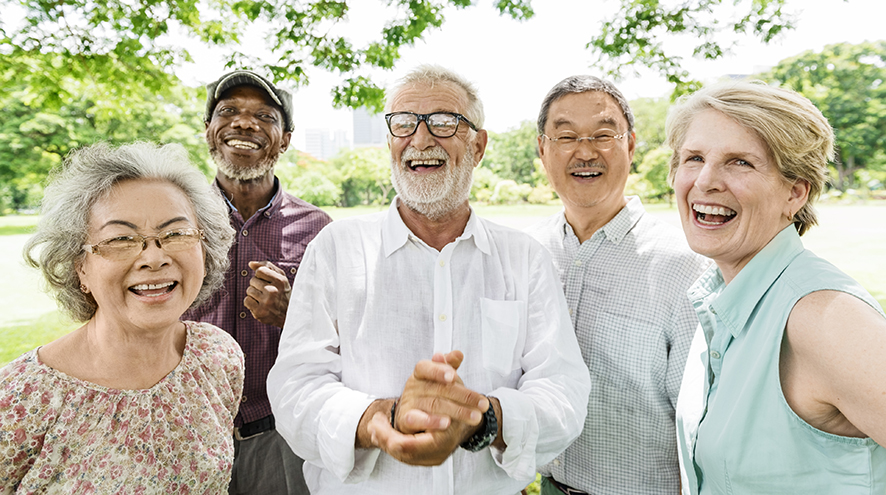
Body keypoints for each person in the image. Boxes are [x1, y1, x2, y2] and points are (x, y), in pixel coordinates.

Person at [267, 65, 591, 495]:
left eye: (444, 122)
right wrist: (379, 419)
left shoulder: (524, 258)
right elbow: (295, 387)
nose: (421, 139)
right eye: (404, 123)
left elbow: (563, 390)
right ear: (389, 142)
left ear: (478, 146)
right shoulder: (336, 249)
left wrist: (483, 418)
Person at [668, 81, 886, 494]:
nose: (706, 181)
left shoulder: (821, 316)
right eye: (693, 158)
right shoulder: (720, 301)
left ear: (795, 192)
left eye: (741, 163)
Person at [0, 142, 242, 493]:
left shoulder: (217, 356)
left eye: (175, 233)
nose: (153, 257)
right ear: (79, 266)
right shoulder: (21, 397)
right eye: (121, 239)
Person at [526, 75, 710, 494]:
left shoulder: (683, 264)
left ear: (630, 145)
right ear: (542, 150)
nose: (585, 151)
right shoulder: (528, 254)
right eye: (566, 136)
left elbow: (701, 423)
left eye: (603, 135)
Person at [185, 69, 332, 494]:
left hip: (280, 435)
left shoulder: (319, 228)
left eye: (264, 116)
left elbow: (347, 340)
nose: (244, 123)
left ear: (285, 138)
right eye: (228, 111)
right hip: (187, 428)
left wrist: (293, 314)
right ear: (209, 131)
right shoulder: (175, 219)